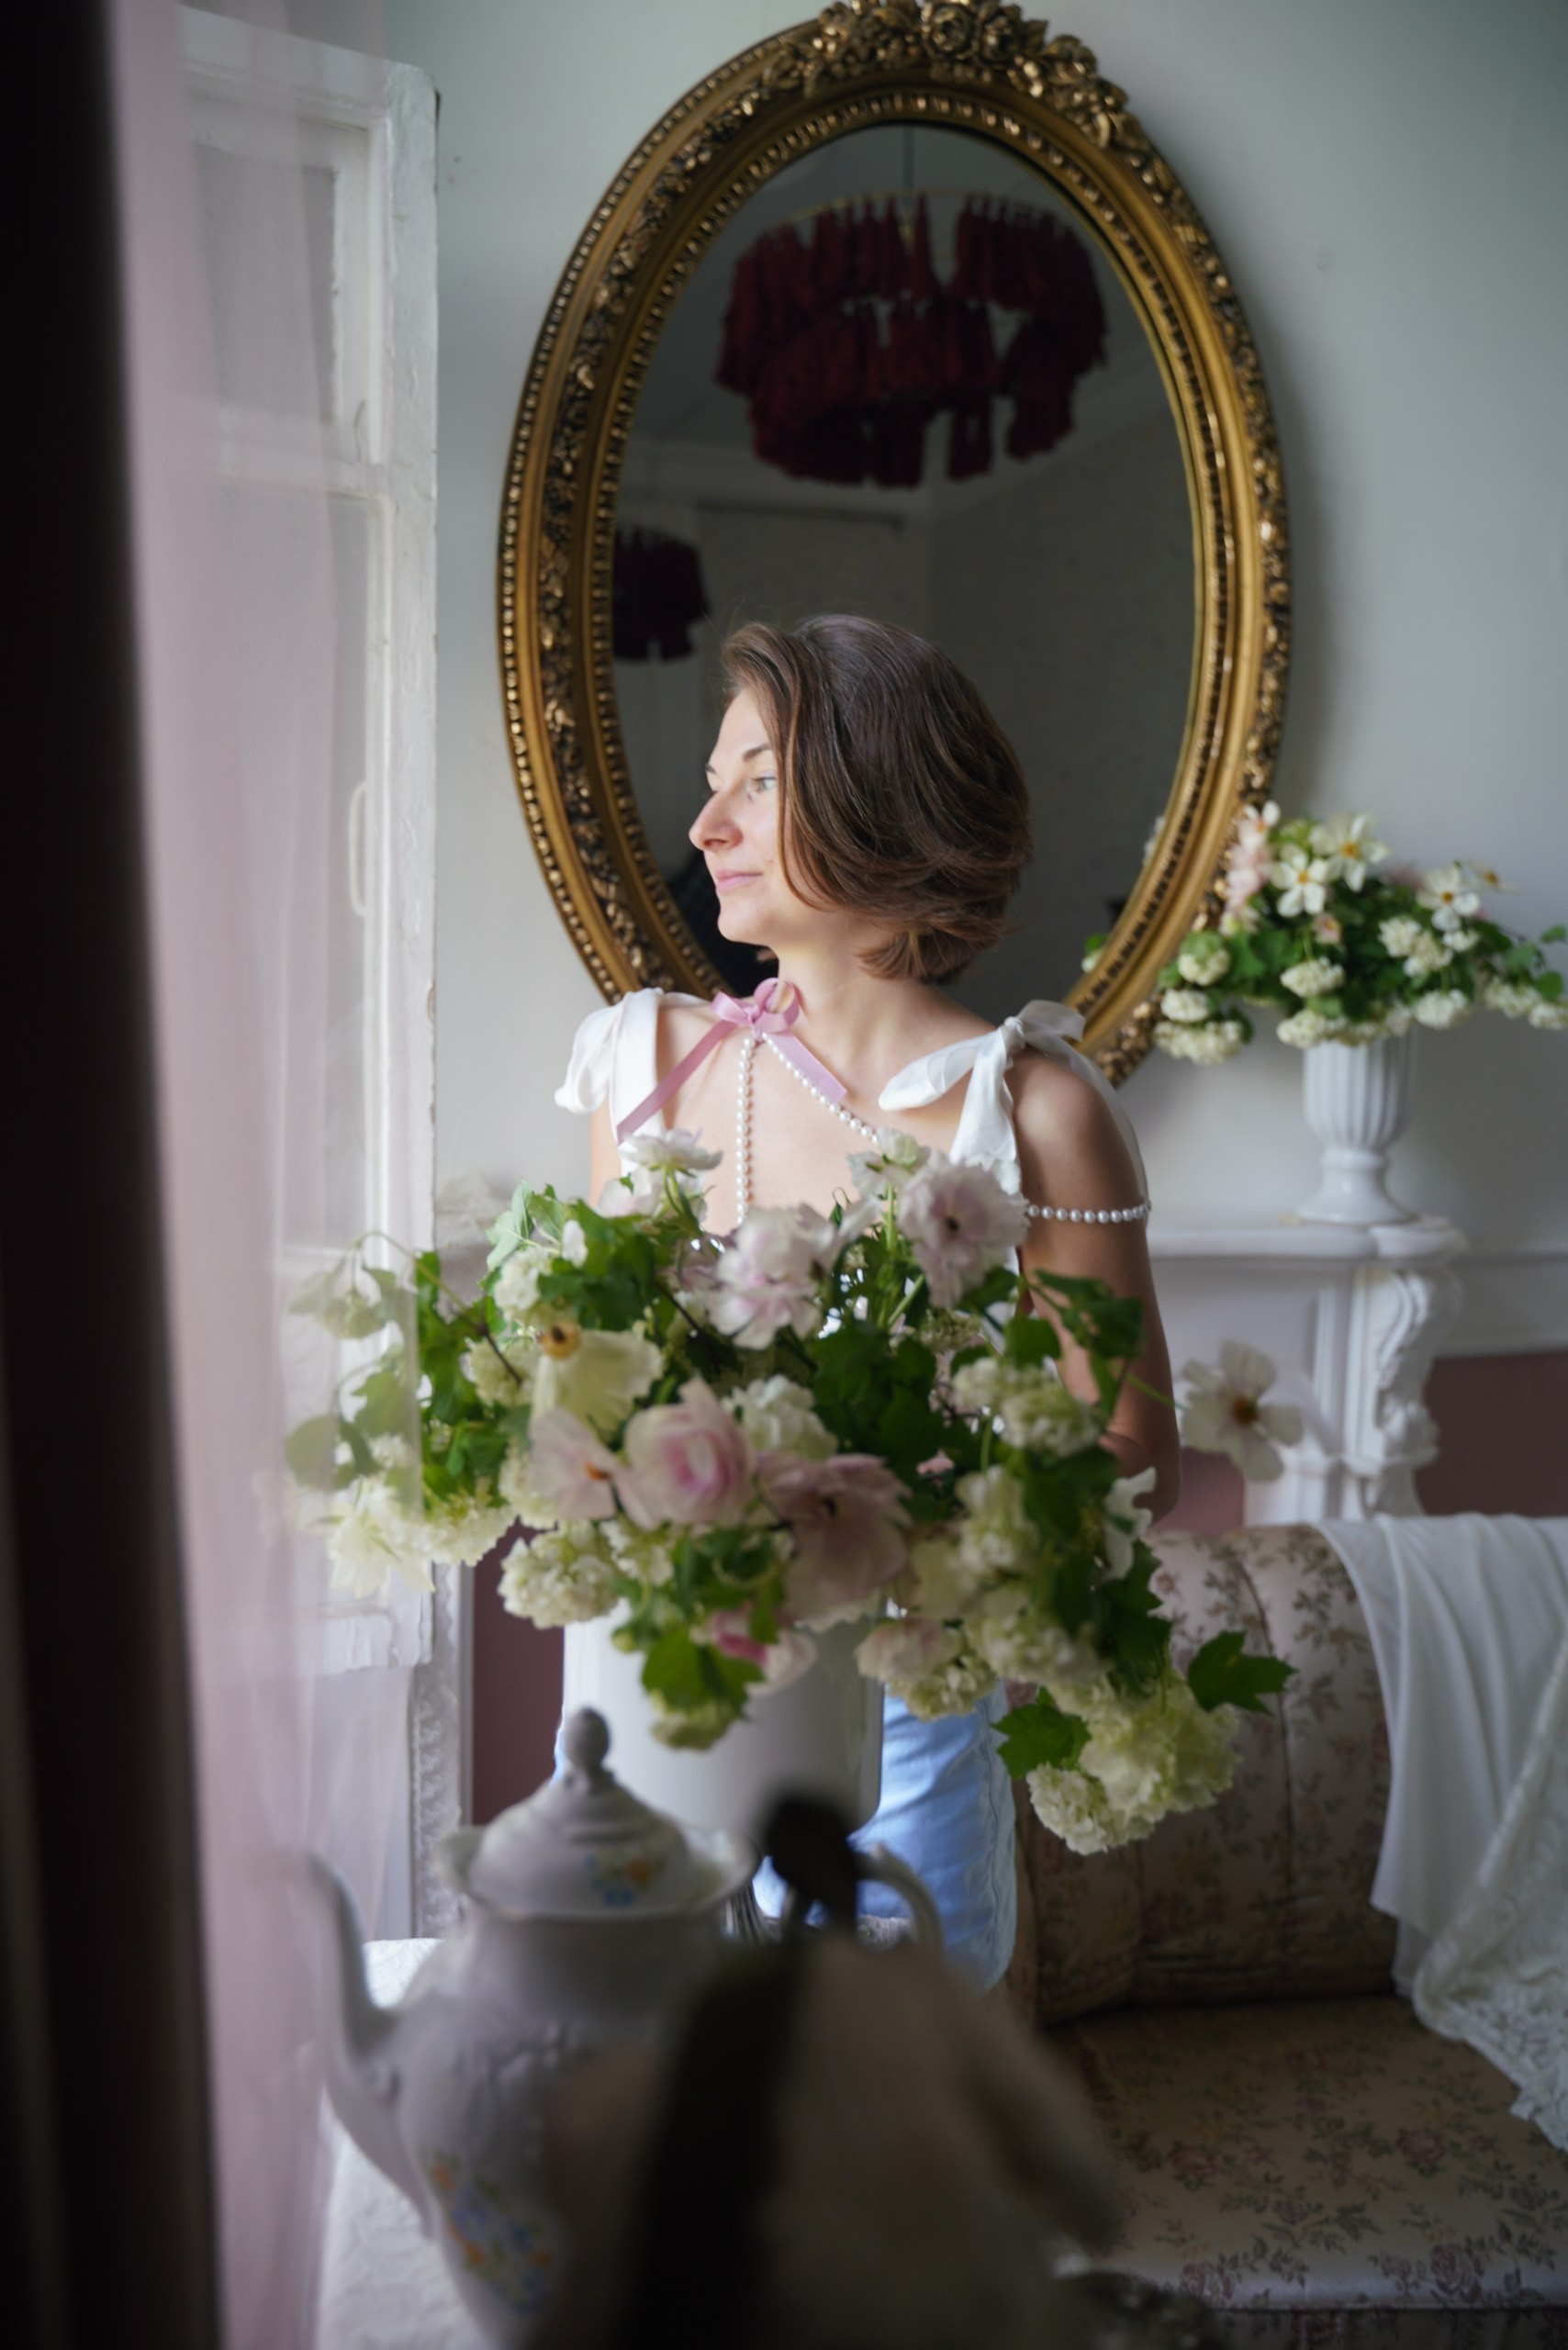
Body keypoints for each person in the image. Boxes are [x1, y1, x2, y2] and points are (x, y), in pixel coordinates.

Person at [556, 614, 1179, 1995]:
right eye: (714, 782)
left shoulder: (1037, 1112)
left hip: (908, 1734)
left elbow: (1135, 1450)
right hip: (655, 1703)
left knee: (879, 2103)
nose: (707, 826)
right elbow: (591, 1385)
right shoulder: (641, 1062)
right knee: (642, 2079)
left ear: (881, 802)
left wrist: (885, 1521)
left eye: (758, 782)